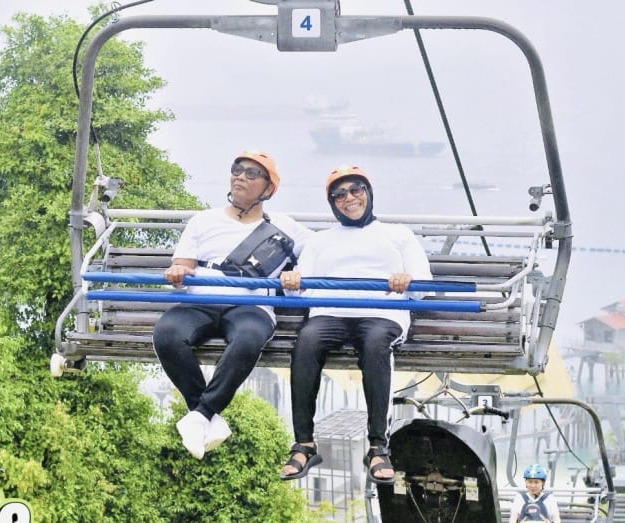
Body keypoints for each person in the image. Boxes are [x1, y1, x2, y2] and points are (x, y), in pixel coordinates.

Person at [153, 150, 312, 460]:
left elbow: (319, 251)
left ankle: (201, 415)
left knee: (248, 338)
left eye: (251, 173)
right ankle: (205, 415)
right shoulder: (203, 220)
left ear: (268, 188)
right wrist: (178, 273)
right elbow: (182, 264)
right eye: (237, 169)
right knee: (167, 334)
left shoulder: (285, 227)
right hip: (201, 299)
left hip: (250, 304)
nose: (240, 176)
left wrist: (298, 272)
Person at [279, 165, 432, 484]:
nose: (349, 198)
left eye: (356, 190)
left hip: (382, 311)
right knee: (306, 342)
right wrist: (291, 282)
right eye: (339, 194)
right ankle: (304, 444)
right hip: (330, 312)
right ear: (332, 203)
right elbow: (300, 289)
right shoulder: (320, 241)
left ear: (368, 193)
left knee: (376, 343)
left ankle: (378, 447)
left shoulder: (398, 235)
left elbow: (423, 285)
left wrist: (407, 281)